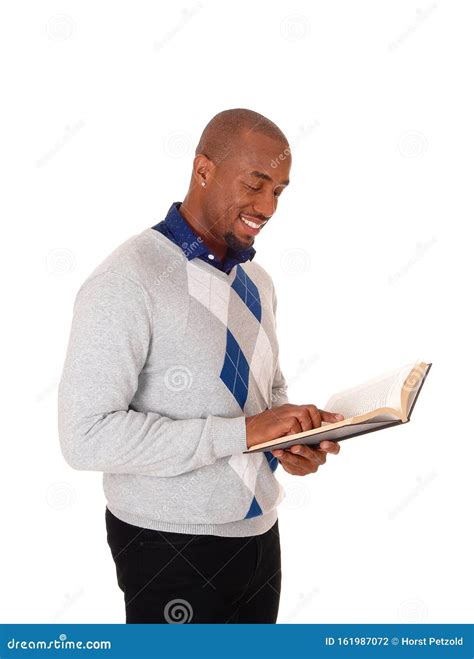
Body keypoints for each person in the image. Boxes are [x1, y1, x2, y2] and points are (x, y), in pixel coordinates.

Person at [58, 108, 344, 624]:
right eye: (256, 184)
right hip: (169, 547)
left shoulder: (257, 281)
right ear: (203, 170)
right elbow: (85, 437)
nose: (268, 205)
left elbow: (267, 395)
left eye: (279, 190)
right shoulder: (127, 280)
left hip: (260, 538)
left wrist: (287, 440)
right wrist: (245, 433)